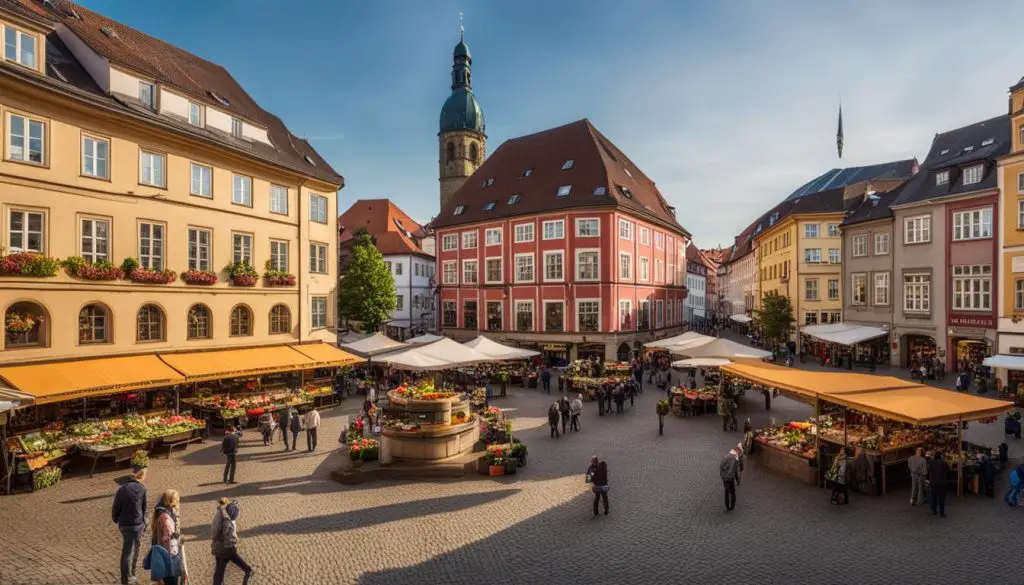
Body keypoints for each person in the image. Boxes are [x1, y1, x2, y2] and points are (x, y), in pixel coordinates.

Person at [112, 467, 148, 585]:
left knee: (127, 551)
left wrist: (116, 519)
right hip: (137, 524)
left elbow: (116, 507)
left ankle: (127, 577)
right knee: (134, 550)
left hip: (124, 524)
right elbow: (144, 508)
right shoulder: (142, 489)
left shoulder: (122, 490)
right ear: (140, 476)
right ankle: (129, 576)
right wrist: (144, 523)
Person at [211, 498, 253, 585]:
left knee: (221, 566)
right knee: (224, 564)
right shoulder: (228, 522)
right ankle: (247, 569)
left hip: (220, 546)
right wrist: (233, 542)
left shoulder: (221, 513)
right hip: (225, 547)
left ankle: (247, 569)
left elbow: (216, 533)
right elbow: (228, 536)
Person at [149, 489, 186, 585]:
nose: (178, 502)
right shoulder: (167, 520)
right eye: (177, 500)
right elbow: (170, 543)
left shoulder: (159, 513)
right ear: (171, 501)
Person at [928, 450, 949, 517]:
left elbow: (929, 470)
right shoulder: (943, 463)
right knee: (941, 498)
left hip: (933, 482)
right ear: (940, 456)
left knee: (934, 497)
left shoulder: (930, 462)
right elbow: (947, 469)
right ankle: (942, 512)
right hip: (941, 482)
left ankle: (934, 511)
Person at [720, 446, 741, 511]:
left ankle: (727, 505)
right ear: (737, 451)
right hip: (731, 478)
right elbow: (736, 471)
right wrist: (738, 480)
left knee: (726, 491)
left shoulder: (725, 457)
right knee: (732, 492)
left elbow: (721, 467)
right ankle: (732, 505)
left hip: (725, 477)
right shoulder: (735, 459)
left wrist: (722, 476)